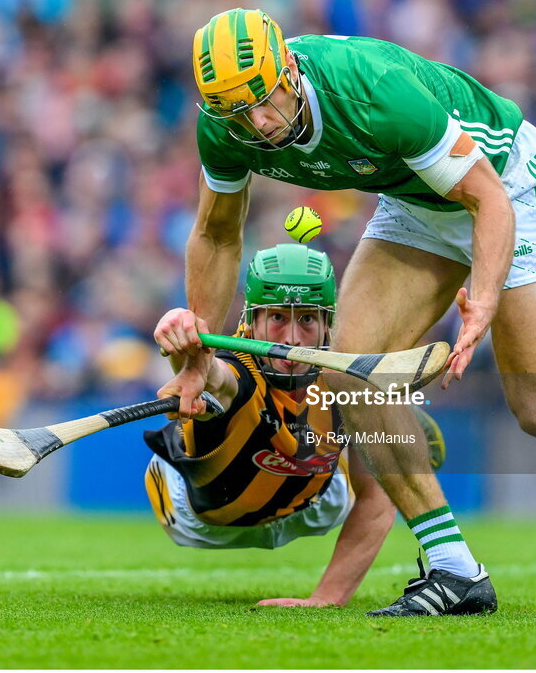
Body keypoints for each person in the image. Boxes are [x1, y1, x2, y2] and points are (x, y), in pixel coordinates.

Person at [154, 8, 536, 616]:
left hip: (507, 183)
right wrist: (196, 357)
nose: (257, 125)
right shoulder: (226, 127)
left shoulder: (371, 91)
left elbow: (486, 197)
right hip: (418, 200)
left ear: (286, 68)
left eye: (264, 102)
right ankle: (454, 570)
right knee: (344, 371)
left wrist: (485, 302)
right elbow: (216, 234)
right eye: (236, 113)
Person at [145, 242, 447, 608]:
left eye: (306, 319)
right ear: (252, 322)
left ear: (326, 324)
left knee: (384, 456)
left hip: (312, 509)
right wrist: (179, 335)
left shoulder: (344, 376)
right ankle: (390, 428)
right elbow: (212, 377)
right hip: (202, 520)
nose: (291, 338)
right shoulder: (236, 370)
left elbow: (379, 500)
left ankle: (387, 429)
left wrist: (325, 599)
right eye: (277, 318)